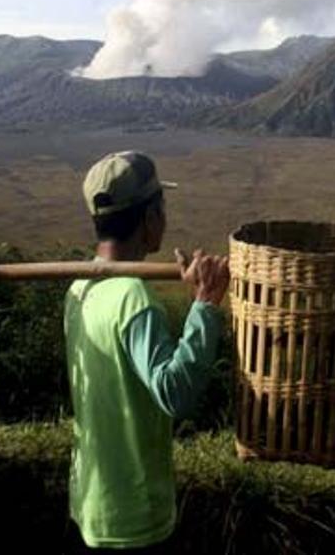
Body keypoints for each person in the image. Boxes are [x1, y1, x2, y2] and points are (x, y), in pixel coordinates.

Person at [63, 150, 229, 553]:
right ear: (150, 218)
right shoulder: (134, 297)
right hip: (134, 516)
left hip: (92, 500)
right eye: (162, 208)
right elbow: (174, 392)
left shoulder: (78, 289)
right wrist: (205, 305)